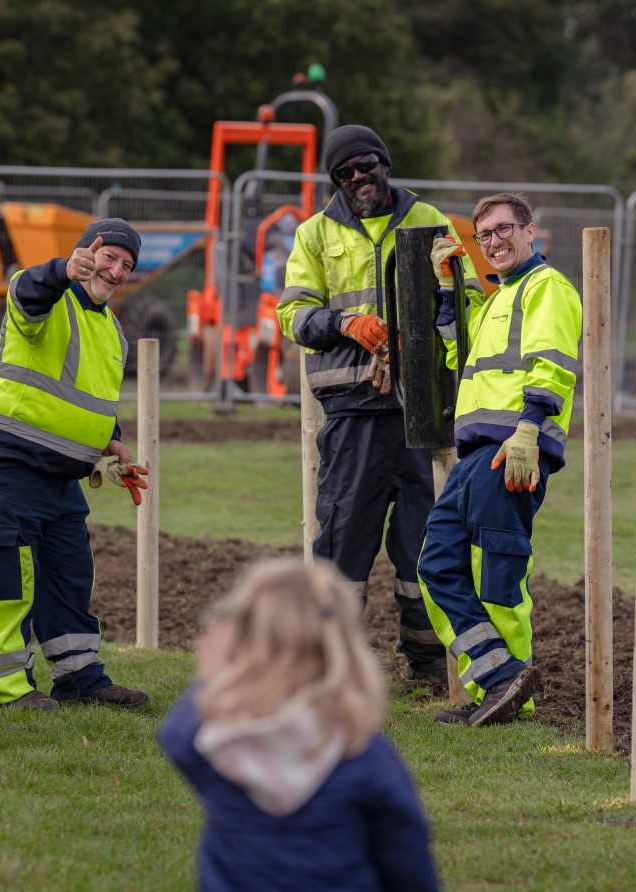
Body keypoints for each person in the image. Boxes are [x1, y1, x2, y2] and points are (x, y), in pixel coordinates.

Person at [276, 124, 479, 682]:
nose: (358, 178)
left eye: (366, 164)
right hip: (352, 412)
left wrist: (445, 306)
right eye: (345, 172)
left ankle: (427, 662)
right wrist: (345, 321)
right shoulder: (315, 234)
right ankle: (324, 664)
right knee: (343, 541)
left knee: (425, 543)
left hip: (424, 411)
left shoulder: (429, 220)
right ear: (336, 180)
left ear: (384, 163)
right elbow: (292, 314)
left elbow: (471, 298)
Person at [158, 557, 439, 892]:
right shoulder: (363, 757)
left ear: (241, 645)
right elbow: (407, 861)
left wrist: (212, 677)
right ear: (344, 650)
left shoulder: (220, 744)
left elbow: (176, 733)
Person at [0, 218, 151, 710]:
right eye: (108, 257)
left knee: (71, 575)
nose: (115, 270)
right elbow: (28, 294)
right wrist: (61, 271)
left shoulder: (114, 331)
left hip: (62, 475)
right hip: (9, 459)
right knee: (10, 574)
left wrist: (110, 442)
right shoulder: (48, 296)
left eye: (126, 265)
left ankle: (79, 679)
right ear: (83, 255)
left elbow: (90, 395)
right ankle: (9, 686)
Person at [418, 191, 582, 727]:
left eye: (503, 229)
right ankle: (501, 680)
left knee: (498, 580)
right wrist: (449, 288)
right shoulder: (496, 298)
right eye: (484, 234)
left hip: (511, 450)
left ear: (530, 231)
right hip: (477, 456)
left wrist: (529, 429)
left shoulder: (547, 288)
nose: (493, 242)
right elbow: (457, 356)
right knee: (436, 565)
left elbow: (552, 362)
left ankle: (513, 699)